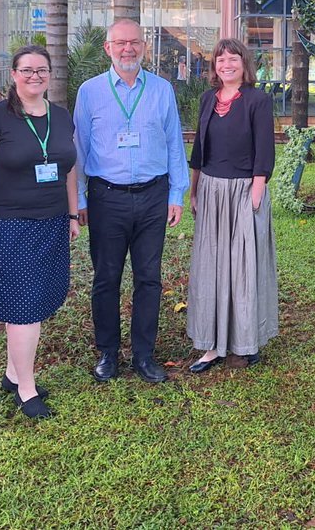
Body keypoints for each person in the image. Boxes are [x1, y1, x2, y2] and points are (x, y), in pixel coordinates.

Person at [0, 45, 78, 419]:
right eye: (26, 70)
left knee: (39, 300)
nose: (34, 76)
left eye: (41, 70)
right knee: (24, 307)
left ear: (50, 74)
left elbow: (69, 168)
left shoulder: (61, 117)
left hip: (53, 222)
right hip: (9, 226)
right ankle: (26, 390)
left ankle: (13, 375)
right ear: (13, 74)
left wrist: (74, 215)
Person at [74, 20, 188, 383]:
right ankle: (108, 353)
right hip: (106, 198)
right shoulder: (89, 91)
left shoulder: (161, 89)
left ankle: (143, 354)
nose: (128, 49)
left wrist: (176, 193)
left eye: (134, 42)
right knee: (106, 277)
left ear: (144, 47)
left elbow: (174, 143)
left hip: (154, 196)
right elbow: (79, 149)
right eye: (120, 43)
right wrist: (78, 198)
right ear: (107, 48)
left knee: (149, 278)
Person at [186, 38, 278, 374]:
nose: (226, 64)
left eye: (233, 58)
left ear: (244, 63)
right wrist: (194, 190)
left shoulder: (258, 100)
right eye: (220, 59)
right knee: (211, 268)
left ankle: (246, 341)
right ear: (214, 66)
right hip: (211, 190)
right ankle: (211, 346)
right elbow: (199, 149)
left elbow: (264, 151)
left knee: (243, 269)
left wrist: (255, 195)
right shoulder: (208, 98)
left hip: (244, 192)